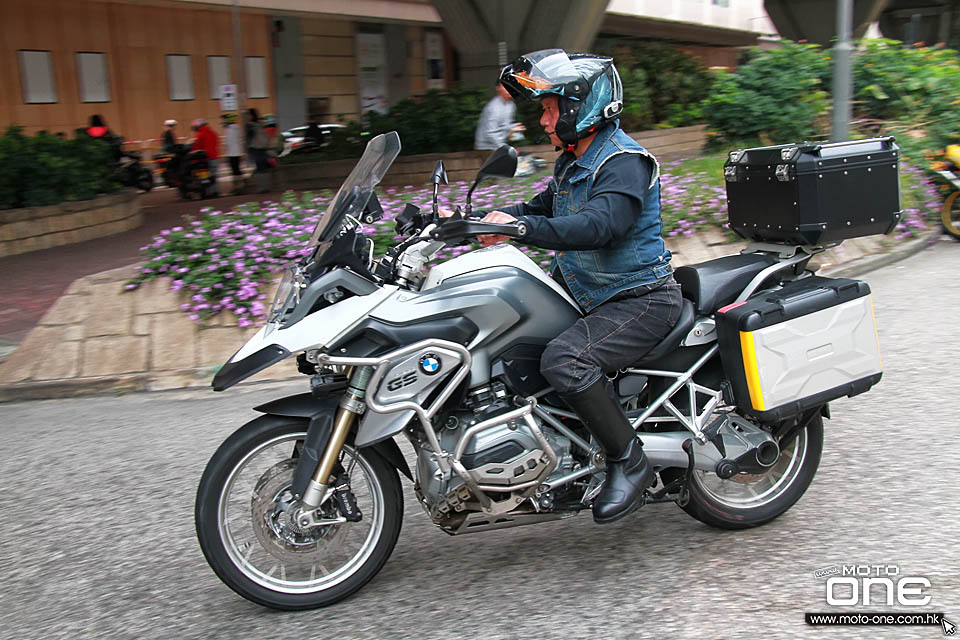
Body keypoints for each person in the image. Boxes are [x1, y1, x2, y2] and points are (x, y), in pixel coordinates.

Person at [475, 49, 683, 524]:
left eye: (550, 110)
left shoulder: (624, 161)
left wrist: (521, 230)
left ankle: (629, 460)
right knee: (510, 342)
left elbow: (600, 226)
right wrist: (468, 222)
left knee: (565, 360)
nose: (544, 122)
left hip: (639, 298)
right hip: (589, 294)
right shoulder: (573, 161)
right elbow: (542, 208)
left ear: (581, 108)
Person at [474, 82, 525, 155]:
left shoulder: (511, 105)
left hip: (499, 145)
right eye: (505, 87)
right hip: (487, 147)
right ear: (498, 88)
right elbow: (490, 133)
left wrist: (514, 128)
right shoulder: (493, 107)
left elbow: (504, 126)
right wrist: (505, 148)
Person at [191, 117, 221, 192]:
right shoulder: (213, 133)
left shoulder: (200, 134)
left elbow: (197, 147)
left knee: (206, 176)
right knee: (214, 176)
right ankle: (215, 191)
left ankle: (209, 192)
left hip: (206, 158)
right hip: (215, 157)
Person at [245, 108, 270, 193]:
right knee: (264, 168)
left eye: (248, 115)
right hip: (263, 149)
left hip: (255, 149)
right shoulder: (260, 124)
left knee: (259, 169)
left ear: (251, 116)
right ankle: (266, 186)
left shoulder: (249, 125)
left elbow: (249, 139)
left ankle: (261, 188)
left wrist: (248, 150)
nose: (247, 117)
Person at [221, 113, 244, 192]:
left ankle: (238, 187)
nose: (223, 121)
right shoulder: (237, 128)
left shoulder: (229, 129)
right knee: (236, 170)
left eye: (224, 119)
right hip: (237, 152)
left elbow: (227, 143)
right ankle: (239, 186)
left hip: (232, 153)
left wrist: (226, 153)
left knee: (235, 170)